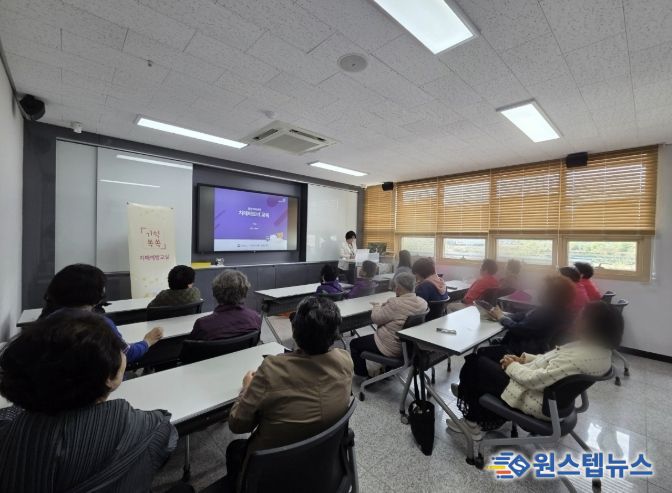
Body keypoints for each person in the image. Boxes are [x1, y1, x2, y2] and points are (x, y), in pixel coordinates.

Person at [0, 312, 178, 492]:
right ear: (109, 378)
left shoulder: (9, 431)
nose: (124, 353)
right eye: (119, 349)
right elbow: (166, 444)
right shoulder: (150, 427)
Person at [225, 296, 353, 486]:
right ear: (335, 333)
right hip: (324, 466)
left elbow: (237, 424)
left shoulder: (271, 370)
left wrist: (247, 388)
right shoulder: (345, 360)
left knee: (235, 449)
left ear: (294, 330)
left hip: (272, 474)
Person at [450, 302, 623, 439]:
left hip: (535, 398)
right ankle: (475, 400)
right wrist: (523, 359)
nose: (577, 320)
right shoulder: (600, 351)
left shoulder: (580, 356)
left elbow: (533, 380)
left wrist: (512, 366)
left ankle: (471, 422)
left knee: (476, 363)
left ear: (590, 324)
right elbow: (552, 361)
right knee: (491, 358)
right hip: (550, 396)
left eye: (581, 317)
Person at [39, 263, 163, 364]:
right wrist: (147, 341)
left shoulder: (48, 321)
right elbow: (126, 354)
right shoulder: (99, 325)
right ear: (97, 294)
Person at [349, 272, 428, 377]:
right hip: (409, 348)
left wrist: (376, 306)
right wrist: (388, 305)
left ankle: (362, 374)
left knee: (354, 344)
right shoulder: (422, 303)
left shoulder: (395, 303)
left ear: (398, 288)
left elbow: (376, 318)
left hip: (389, 347)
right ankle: (387, 368)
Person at [487, 275, 576, 356]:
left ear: (550, 294)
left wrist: (501, 318)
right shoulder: (557, 310)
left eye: (542, 289)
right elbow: (524, 315)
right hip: (532, 347)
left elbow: (518, 328)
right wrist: (503, 314)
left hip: (519, 352)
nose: (538, 291)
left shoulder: (545, 314)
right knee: (494, 342)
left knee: (481, 353)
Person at [190, 270, 261, 341]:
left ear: (215, 292)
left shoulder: (202, 325)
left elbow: (190, 346)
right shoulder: (255, 318)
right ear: (245, 292)